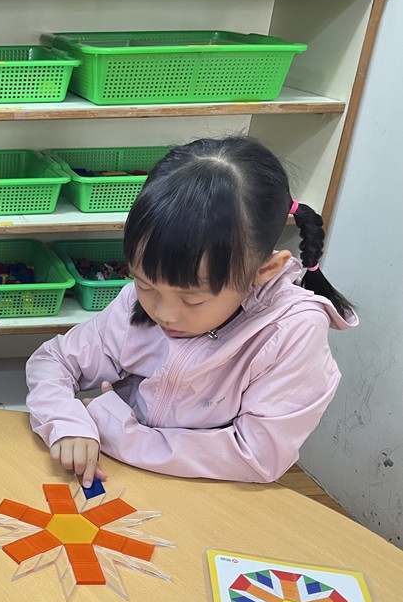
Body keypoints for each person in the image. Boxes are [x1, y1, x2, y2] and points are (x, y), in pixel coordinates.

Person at [26, 136, 357, 487]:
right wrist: (68, 423)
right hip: (124, 476)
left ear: (265, 271)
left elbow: (257, 457)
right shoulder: (140, 301)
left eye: (193, 299)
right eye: (145, 284)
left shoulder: (292, 331)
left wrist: (111, 428)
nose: (164, 314)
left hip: (214, 494)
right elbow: (54, 361)